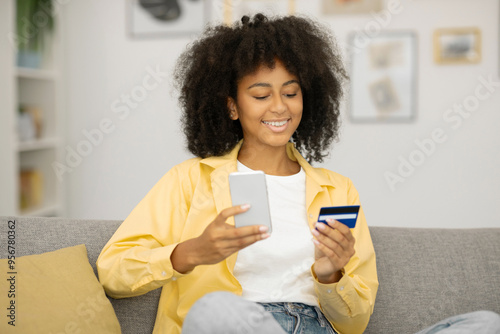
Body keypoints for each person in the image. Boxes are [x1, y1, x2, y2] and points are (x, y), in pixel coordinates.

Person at [96, 14, 500, 334]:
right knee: (215, 310)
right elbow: (113, 271)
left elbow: (355, 322)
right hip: (238, 327)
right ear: (232, 106)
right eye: (260, 95)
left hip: (318, 328)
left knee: (485, 324)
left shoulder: (336, 189)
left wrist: (331, 275)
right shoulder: (189, 180)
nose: (280, 107)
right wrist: (189, 253)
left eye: (291, 93)